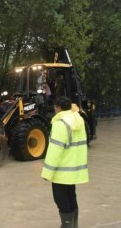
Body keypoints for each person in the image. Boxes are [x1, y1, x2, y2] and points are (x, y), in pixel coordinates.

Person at [41, 96, 88, 228]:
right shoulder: (78, 121)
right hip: (73, 171)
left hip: (61, 173)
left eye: (55, 107)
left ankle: (67, 226)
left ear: (59, 108)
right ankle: (74, 225)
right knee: (71, 197)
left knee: (61, 200)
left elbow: (55, 151)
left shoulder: (60, 124)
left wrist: (47, 173)